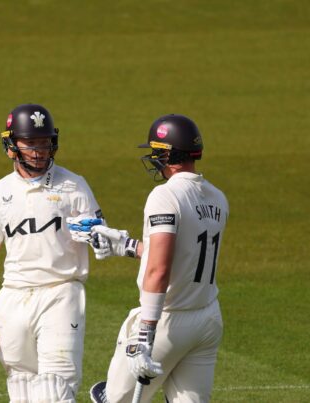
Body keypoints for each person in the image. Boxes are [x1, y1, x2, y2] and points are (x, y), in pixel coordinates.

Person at [0, 103, 105, 402]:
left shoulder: (74, 186)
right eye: (30, 144)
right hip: (13, 299)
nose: (38, 151)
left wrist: (97, 235)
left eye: (44, 143)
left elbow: (101, 238)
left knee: (55, 390)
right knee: (21, 388)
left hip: (60, 293)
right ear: (11, 147)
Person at [80, 114, 229, 402]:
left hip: (168, 323)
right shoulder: (217, 198)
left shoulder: (165, 196)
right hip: (207, 319)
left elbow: (159, 269)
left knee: (113, 399)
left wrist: (145, 333)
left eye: (157, 152)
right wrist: (128, 246)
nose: (154, 158)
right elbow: (184, 254)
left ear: (169, 155)